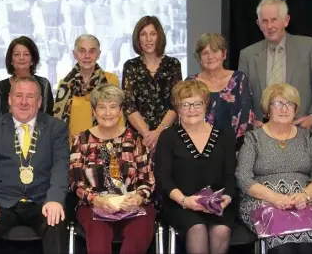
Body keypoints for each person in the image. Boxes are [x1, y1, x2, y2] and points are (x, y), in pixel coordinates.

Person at [0, 77, 70, 254]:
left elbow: (60, 166)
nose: (24, 102)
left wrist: (55, 199)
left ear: (40, 101)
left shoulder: (56, 128)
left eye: (30, 96)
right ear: (9, 99)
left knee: (57, 219)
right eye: (19, 96)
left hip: (42, 201)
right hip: (3, 202)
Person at [235, 82, 312, 254]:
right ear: (267, 109)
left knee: (311, 246)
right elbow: (243, 178)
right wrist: (274, 197)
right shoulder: (253, 138)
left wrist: (305, 196)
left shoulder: (307, 138)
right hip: (263, 202)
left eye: (289, 104)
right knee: (283, 247)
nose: (284, 109)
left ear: (295, 109)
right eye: (277, 103)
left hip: (301, 202)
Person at [69, 84, 156, 254]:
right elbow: (75, 181)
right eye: (102, 107)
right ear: (94, 112)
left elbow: (147, 180)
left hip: (131, 204)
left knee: (138, 233)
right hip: (95, 205)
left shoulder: (135, 140)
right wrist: (96, 200)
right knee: (98, 236)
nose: (107, 113)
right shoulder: (81, 140)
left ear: (121, 111)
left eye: (113, 107)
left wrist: (138, 198)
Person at [154, 80, 237, 254]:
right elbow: (163, 179)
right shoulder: (168, 137)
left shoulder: (225, 135)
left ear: (206, 105)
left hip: (218, 203)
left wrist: (226, 199)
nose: (192, 110)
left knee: (221, 231)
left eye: (197, 103)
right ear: (177, 108)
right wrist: (186, 201)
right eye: (185, 104)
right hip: (180, 203)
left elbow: (231, 176)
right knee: (197, 228)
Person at [237, 0, 312, 139]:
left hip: (302, 135)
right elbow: (242, 99)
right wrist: (251, 122)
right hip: (261, 137)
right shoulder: (247, 55)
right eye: (265, 21)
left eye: (274, 20)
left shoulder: (309, 48)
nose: (269, 26)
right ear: (258, 24)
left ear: (286, 20)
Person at [122, 16, 183, 152]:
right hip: (138, 137)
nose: (148, 39)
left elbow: (176, 102)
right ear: (138, 39)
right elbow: (129, 105)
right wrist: (148, 135)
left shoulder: (173, 64)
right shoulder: (130, 66)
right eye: (143, 34)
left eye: (153, 34)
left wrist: (159, 132)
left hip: (168, 135)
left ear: (159, 36)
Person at [186, 33, 254, 147]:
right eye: (205, 53)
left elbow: (246, 120)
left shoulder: (239, 80)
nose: (210, 57)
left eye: (215, 51)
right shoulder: (190, 83)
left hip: (233, 150)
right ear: (199, 58)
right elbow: (185, 119)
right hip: (198, 149)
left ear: (224, 54)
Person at [53, 34, 122, 142]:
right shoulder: (65, 84)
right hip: (72, 150)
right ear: (74, 54)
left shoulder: (110, 81)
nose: (87, 56)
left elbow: (119, 118)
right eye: (82, 51)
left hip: (104, 147)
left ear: (98, 54)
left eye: (92, 51)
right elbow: (57, 123)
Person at [0, 36, 54, 118]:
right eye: (17, 54)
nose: (21, 58)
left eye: (26, 54)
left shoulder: (43, 84)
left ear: (32, 60)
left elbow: (49, 118)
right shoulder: (1, 87)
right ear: (11, 60)